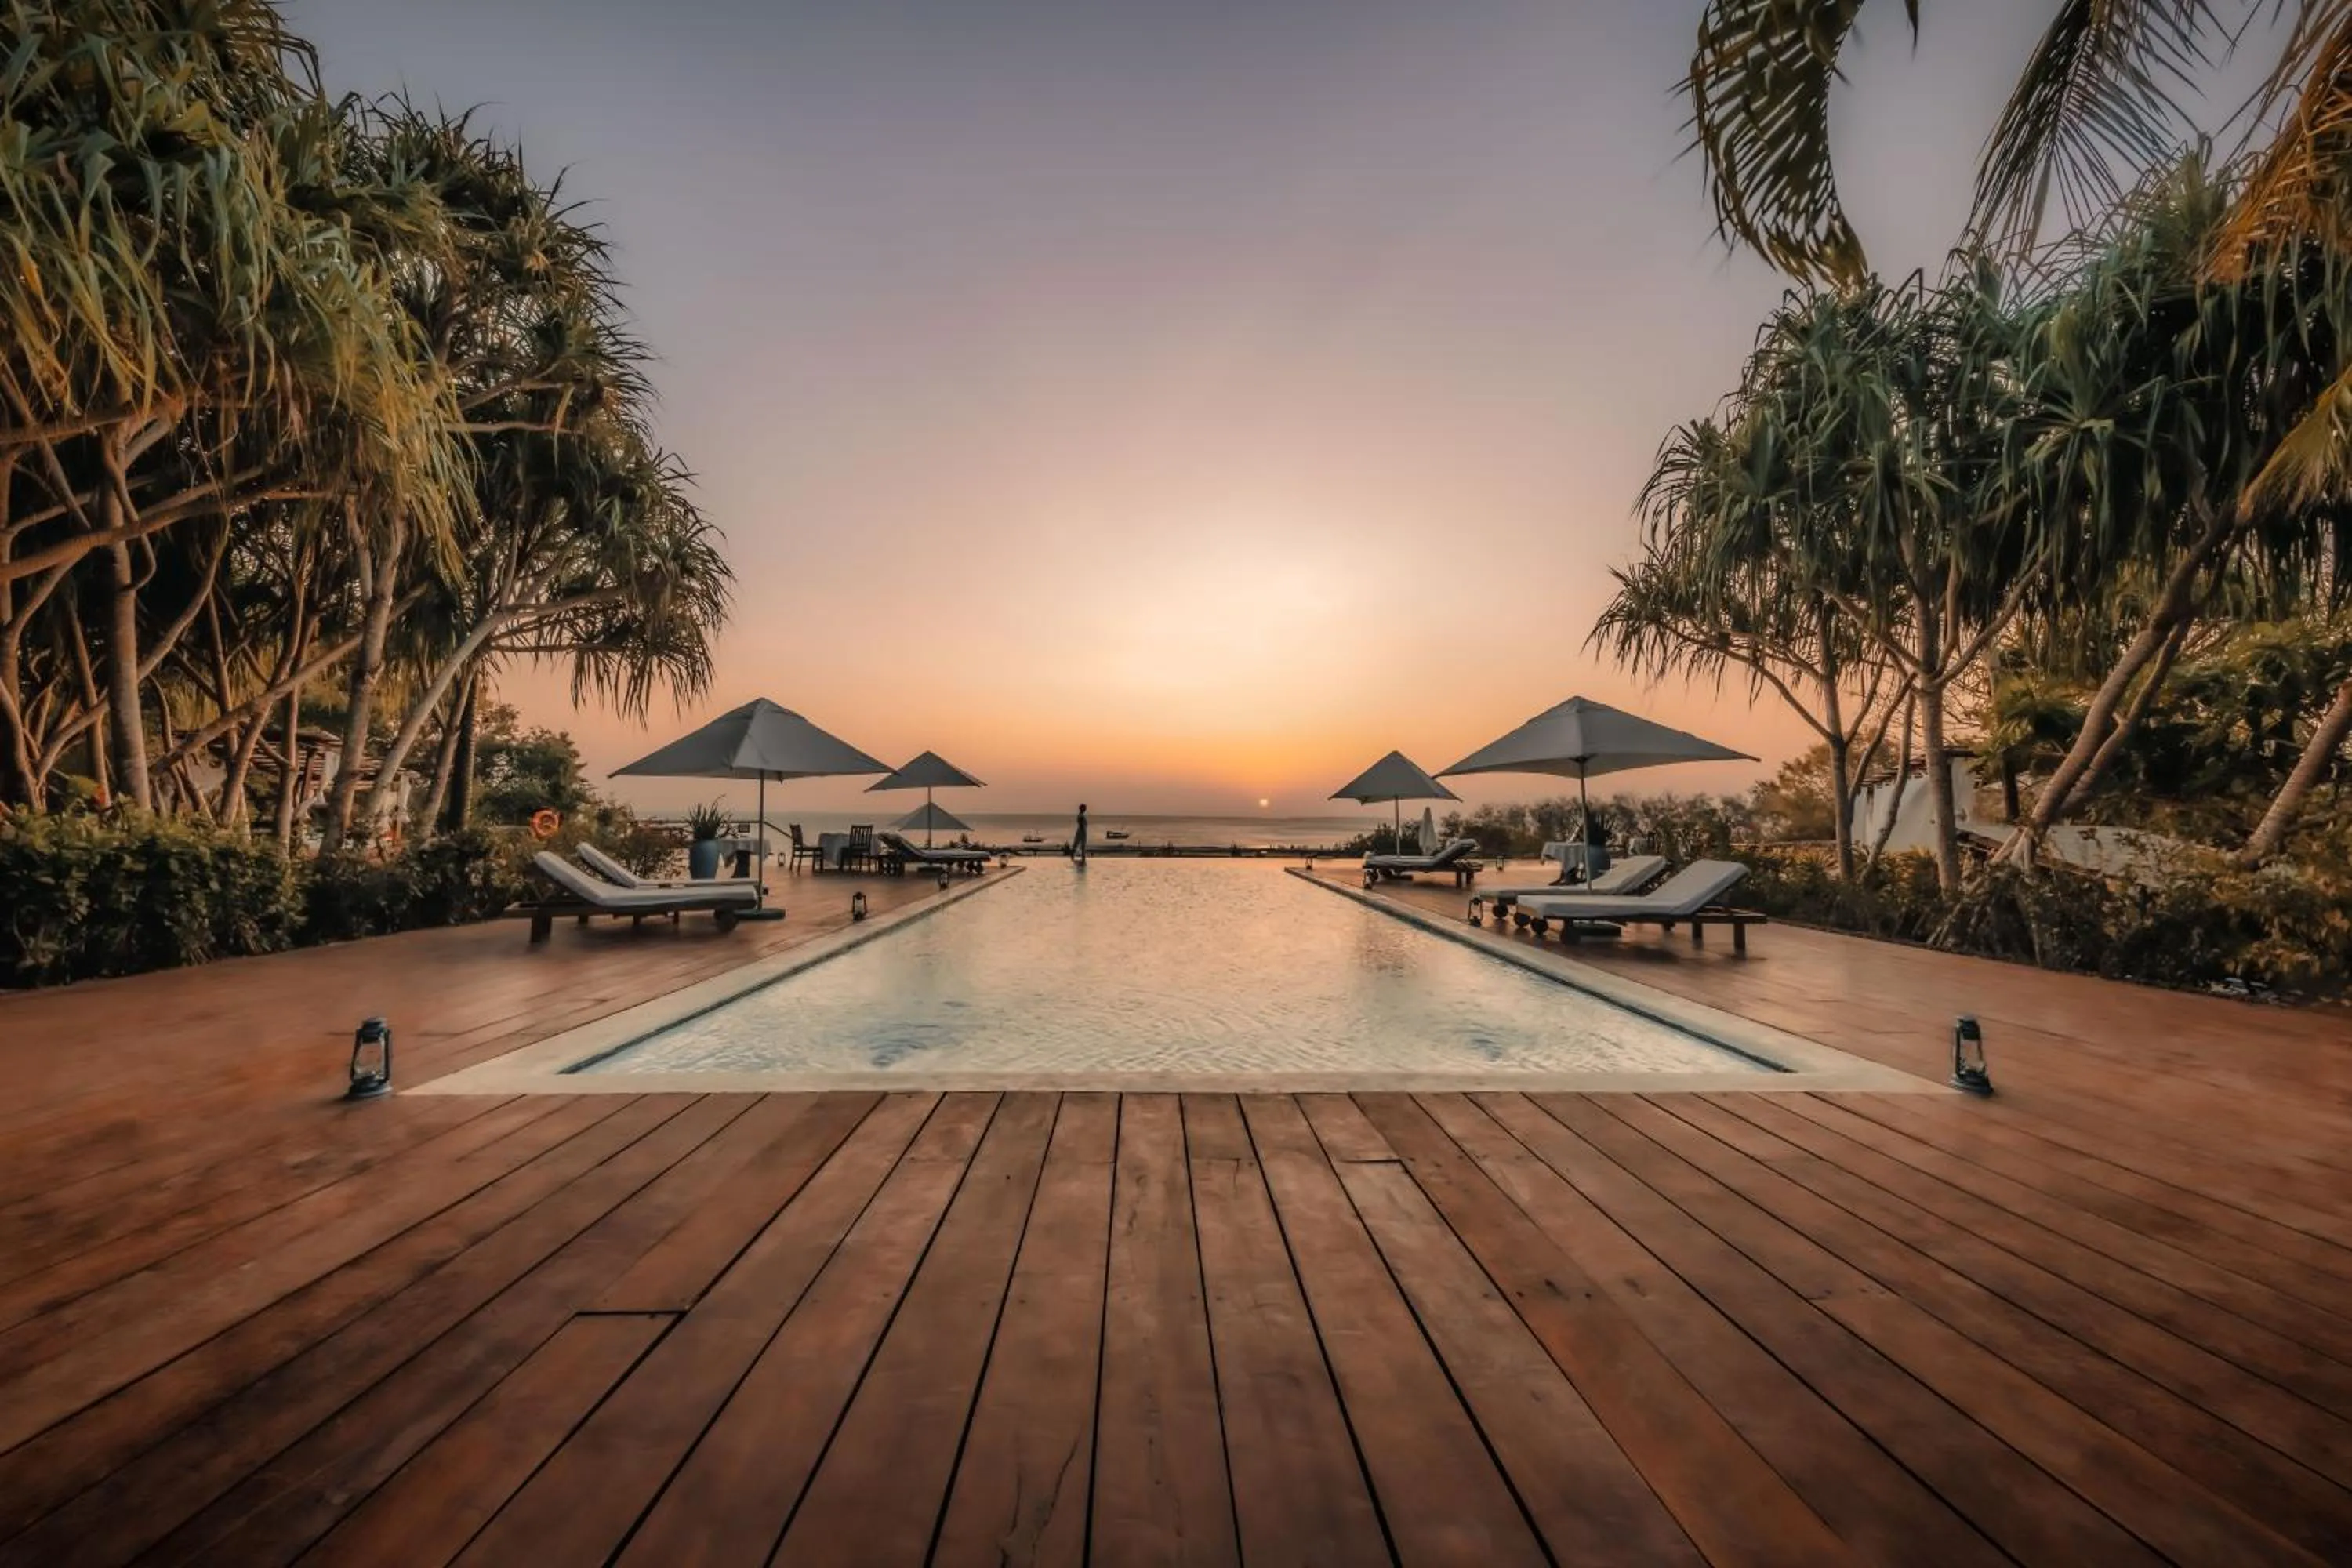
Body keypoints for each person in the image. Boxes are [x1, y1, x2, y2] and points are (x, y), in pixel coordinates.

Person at [1073, 802, 1089, 866]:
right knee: (1081, 846)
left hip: (1081, 831)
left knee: (1077, 845)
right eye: (1084, 808)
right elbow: (1081, 824)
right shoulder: (1081, 816)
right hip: (1082, 832)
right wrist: (1084, 832)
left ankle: (1081, 858)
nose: (1085, 809)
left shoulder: (1081, 815)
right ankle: (1082, 859)